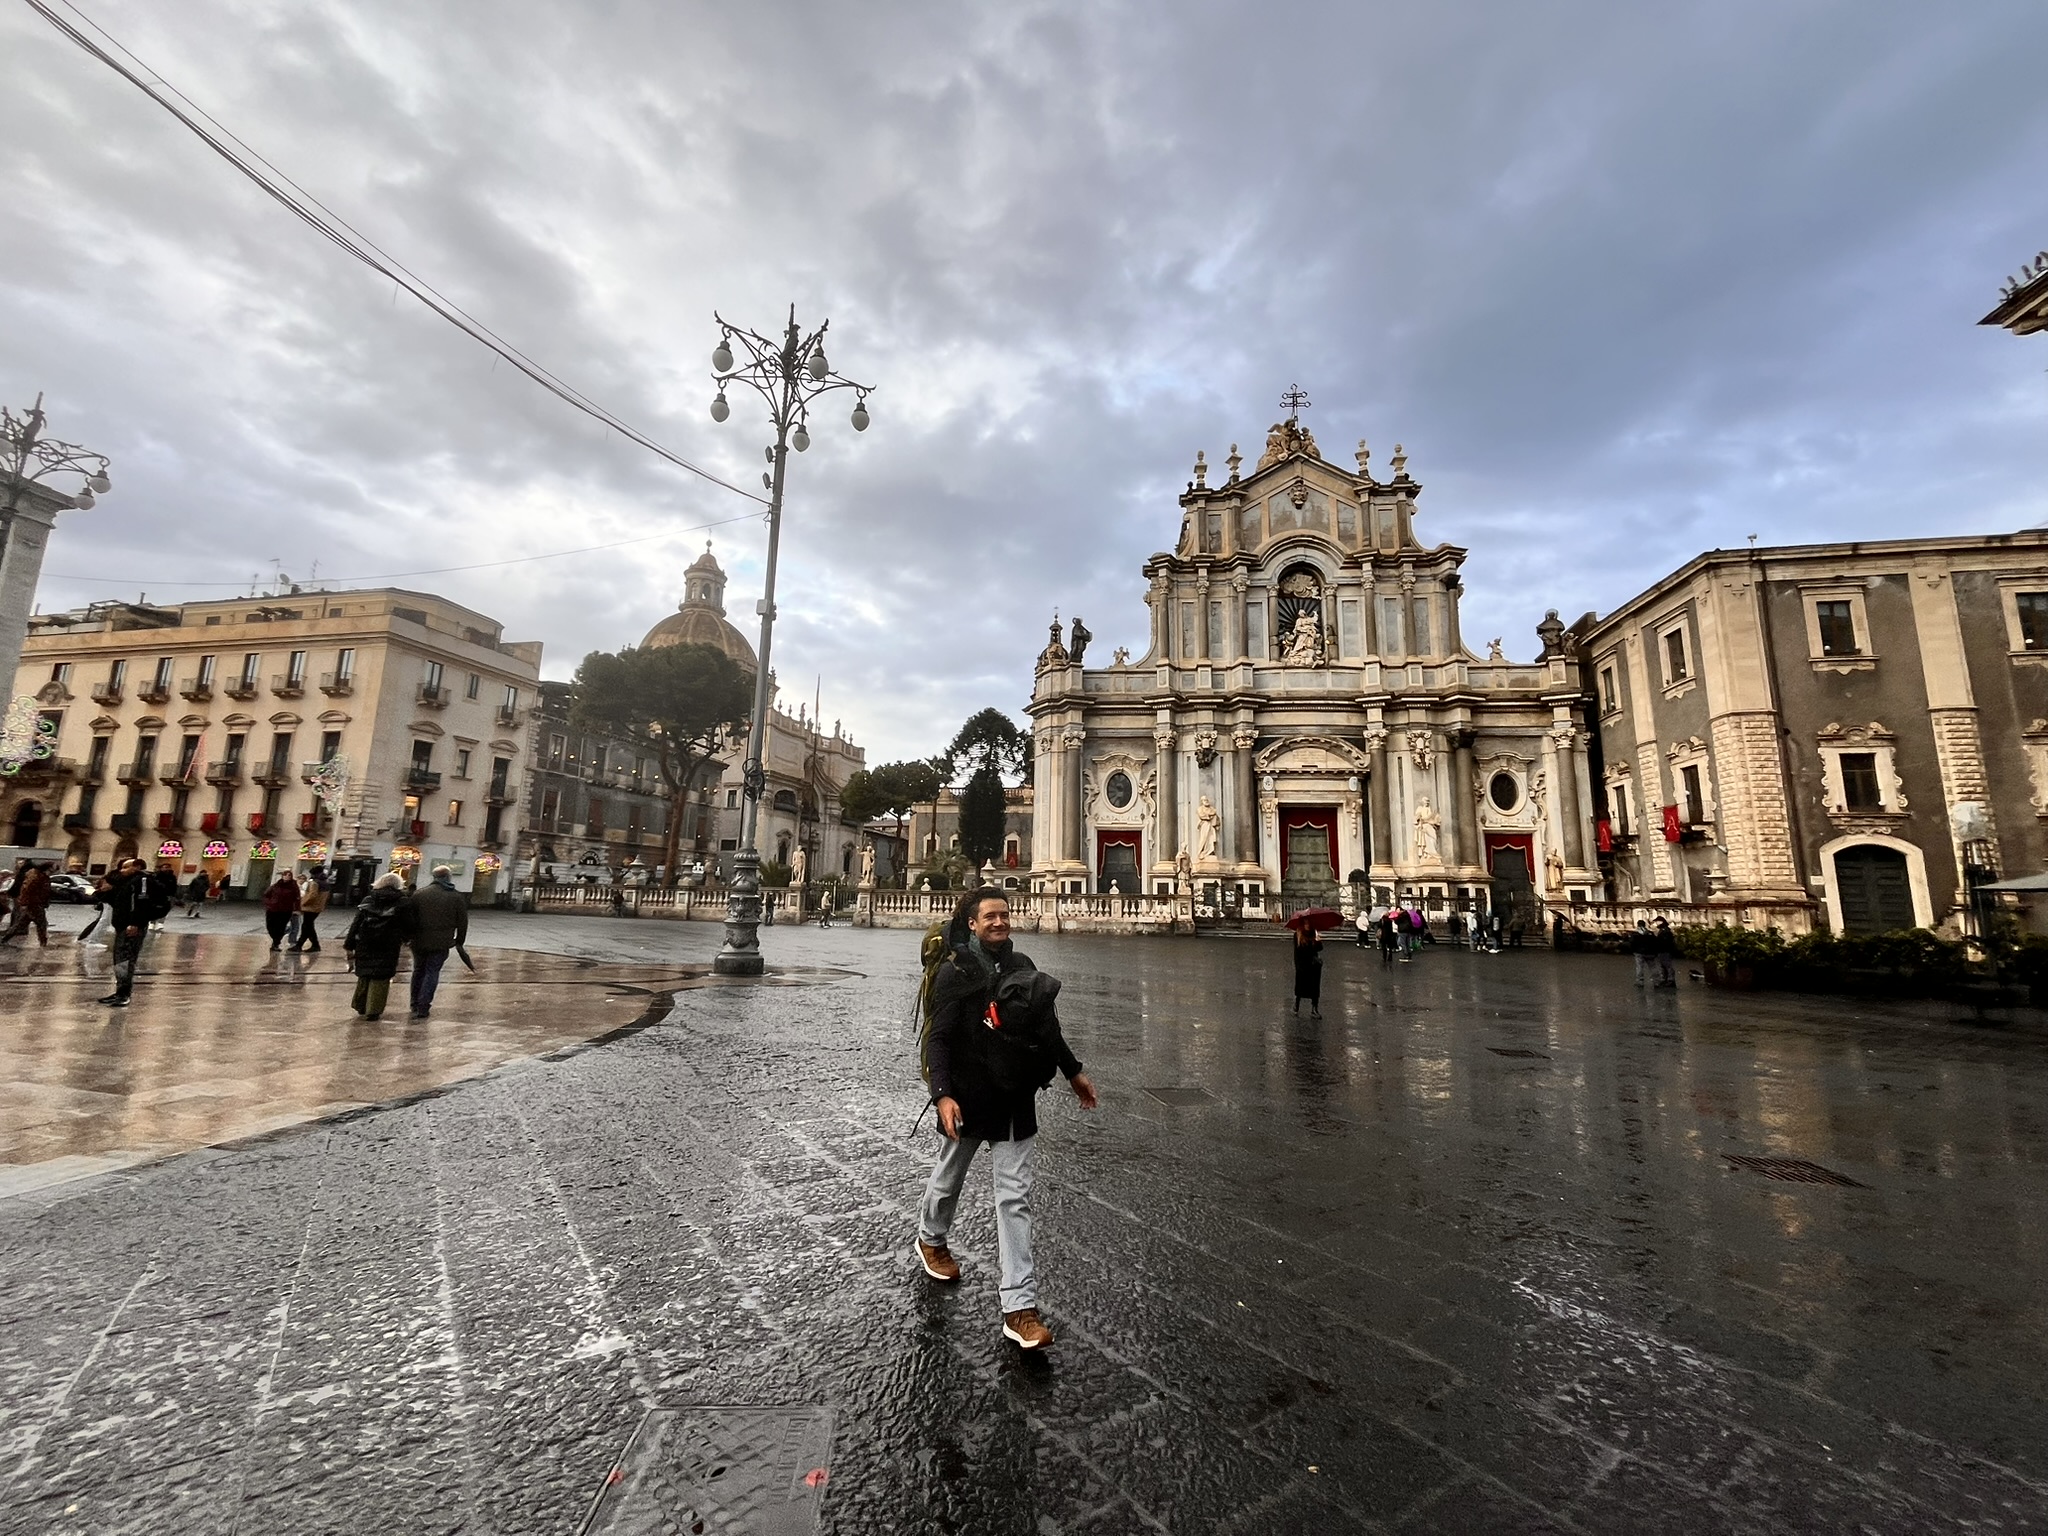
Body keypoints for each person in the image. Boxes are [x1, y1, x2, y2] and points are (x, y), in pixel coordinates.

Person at [916, 888, 1096, 1351]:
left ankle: (1020, 1306)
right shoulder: (956, 972)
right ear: (972, 924)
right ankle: (931, 1237)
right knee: (948, 1176)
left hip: (1014, 1097)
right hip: (969, 1097)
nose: (1000, 922)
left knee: (1013, 1198)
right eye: (990, 916)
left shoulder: (1022, 966)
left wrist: (1073, 1072)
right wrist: (942, 1096)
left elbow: (1046, 1028)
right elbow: (938, 1038)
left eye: (1004, 914)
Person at [95, 859, 170, 1007]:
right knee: (120, 960)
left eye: (125, 867)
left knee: (126, 960)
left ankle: (124, 994)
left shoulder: (142, 880)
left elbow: (141, 903)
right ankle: (120, 991)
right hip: (122, 926)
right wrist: (104, 892)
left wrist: (135, 923)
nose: (121, 870)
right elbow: (117, 902)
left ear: (136, 867)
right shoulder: (127, 882)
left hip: (133, 927)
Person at [343, 873, 413, 1020]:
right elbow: (408, 924)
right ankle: (373, 1010)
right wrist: (407, 939)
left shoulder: (369, 899)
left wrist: (349, 943)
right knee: (381, 976)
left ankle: (360, 1005)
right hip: (389, 944)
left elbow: (356, 923)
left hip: (365, 942)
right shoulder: (402, 902)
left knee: (364, 973)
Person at [404, 864, 468, 1019]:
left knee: (418, 971)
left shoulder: (419, 894)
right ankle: (423, 1006)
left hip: (418, 941)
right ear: (447, 877)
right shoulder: (456, 897)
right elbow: (462, 922)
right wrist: (459, 941)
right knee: (432, 972)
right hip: (441, 942)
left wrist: (407, 938)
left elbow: (409, 918)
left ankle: (414, 1004)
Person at [1, 861, 52, 946]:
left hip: (34, 903)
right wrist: (25, 903)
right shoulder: (36, 876)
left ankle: (5, 939)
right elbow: (27, 890)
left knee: (21, 924)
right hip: (34, 904)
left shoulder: (40, 876)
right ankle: (43, 943)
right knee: (41, 924)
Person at [261, 872, 301, 951]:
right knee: (270, 926)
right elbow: (266, 895)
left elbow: (297, 899)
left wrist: (296, 909)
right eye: (285, 875)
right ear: (282, 876)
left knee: (281, 927)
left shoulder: (293, 887)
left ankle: (276, 943)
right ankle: (276, 939)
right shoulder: (276, 886)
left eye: (289, 875)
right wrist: (269, 904)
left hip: (286, 910)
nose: (287, 877)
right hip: (273, 909)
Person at [1291, 924, 1324, 1018]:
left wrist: (1318, 941)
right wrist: (1298, 965)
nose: (1308, 925)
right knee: (1300, 987)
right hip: (1303, 964)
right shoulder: (1297, 935)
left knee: (1314, 988)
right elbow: (1298, 951)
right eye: (1305, 923)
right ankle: (1296, 1006)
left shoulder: (1314, 933)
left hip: (1313, 965)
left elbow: (1319, 949)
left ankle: (1314, 1009)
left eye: (1309, 923)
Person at [294, 871, 330, 953]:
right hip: (318, 907)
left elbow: (312, 895)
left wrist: (303, 903)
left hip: (310, 907)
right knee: (308, 926)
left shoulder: (314, 883)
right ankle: (302, 945)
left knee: (307, 926)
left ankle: (313, 945)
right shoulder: (325, 883)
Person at [148, 865, 179, 932]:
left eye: (168, 867)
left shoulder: (172, 877)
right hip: (156, 895)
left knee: (165, 909)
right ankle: (152, 922)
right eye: (165, 867)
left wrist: (173, 895)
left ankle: (160, 923)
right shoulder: (156, 876)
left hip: (168, 895)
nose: (166, 869)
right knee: (154, 909)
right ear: (161, 868)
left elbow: (174, 887)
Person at [1651, 917, 1678, 988]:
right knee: (1664, 966)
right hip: (1663, 950)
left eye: (1657, 921)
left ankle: (1670, 980)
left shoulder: (1665, 931)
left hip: (1664, 950)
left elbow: (1665, 942)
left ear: (1661, 922)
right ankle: (1666, 980)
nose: (1656, 923)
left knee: (1667, 966)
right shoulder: (1664, 930)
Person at [1629, 920, 1653, 985]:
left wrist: (1633, 950)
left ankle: (1640, 981)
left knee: (1639, 967)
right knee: (1652, 967)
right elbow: (1653, 942)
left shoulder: (1635, 933)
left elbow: (1632, 942)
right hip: (1649, 952)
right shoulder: (1649, 933)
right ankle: (1656, 981)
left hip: (1639, 952)